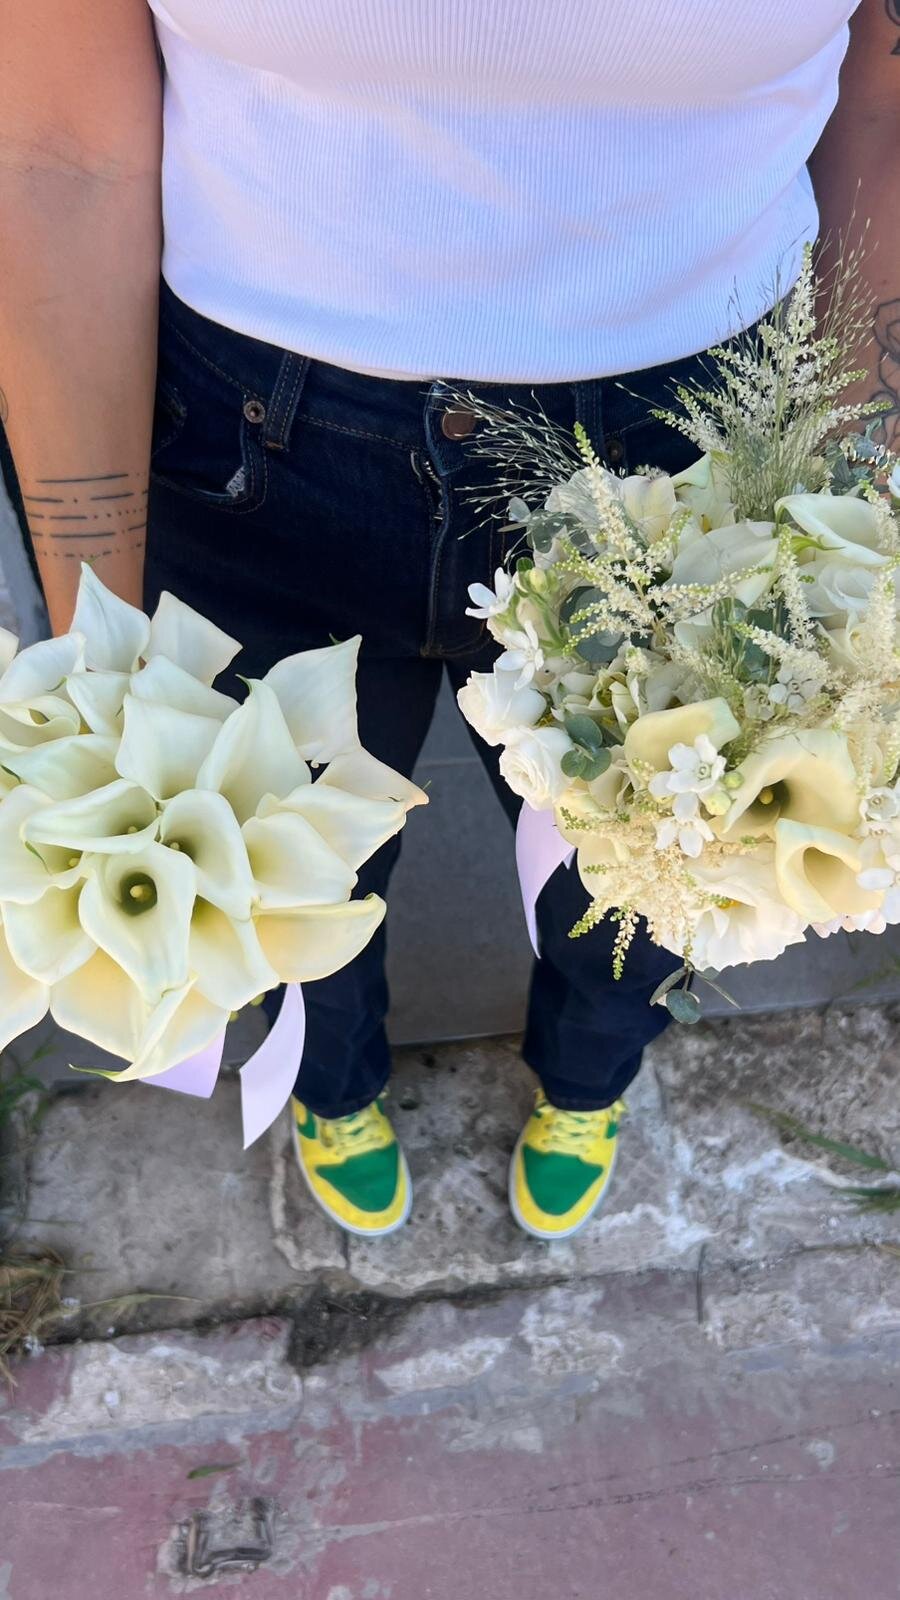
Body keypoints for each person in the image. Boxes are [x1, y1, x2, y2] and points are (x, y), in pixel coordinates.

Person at [1, 2, 897, 1242]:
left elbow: (881, 107)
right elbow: (57, 151)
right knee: (260, 868)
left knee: (656, 868)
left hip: (693, 459)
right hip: (255, 454)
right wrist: (93, 660)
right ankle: (330, 1083)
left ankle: (587, 1079)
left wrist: (839, 525)